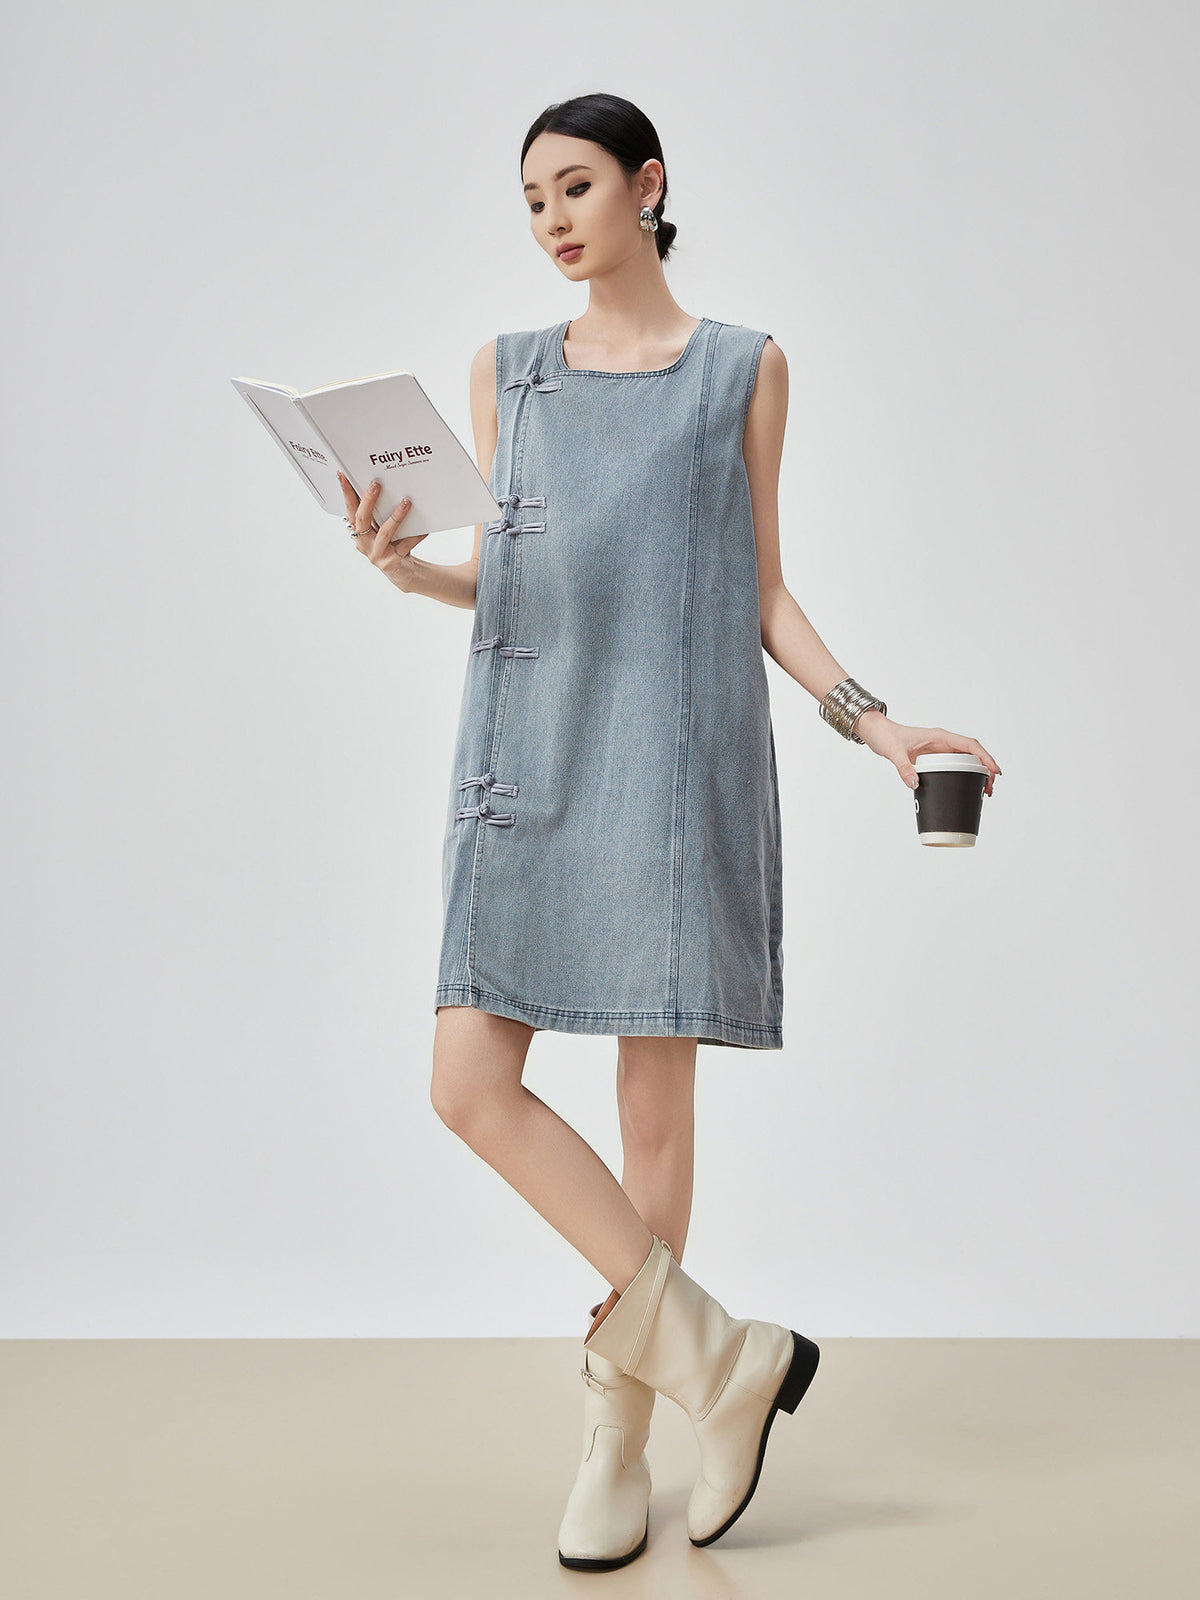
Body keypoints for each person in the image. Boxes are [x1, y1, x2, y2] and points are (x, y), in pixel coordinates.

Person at [339, 92, 1002, 1572]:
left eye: (575, 187)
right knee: (468, 1083)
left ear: (648, 186)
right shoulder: (508, 373)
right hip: (524, 758)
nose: (552, 221)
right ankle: (721, 1360)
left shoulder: (741, 369)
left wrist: (878, 722)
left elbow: (762, 587)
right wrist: (408, 571)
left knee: (654, 1117)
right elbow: (519, 573)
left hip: (672, 763)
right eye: (531, 201)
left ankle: (618, 1437)